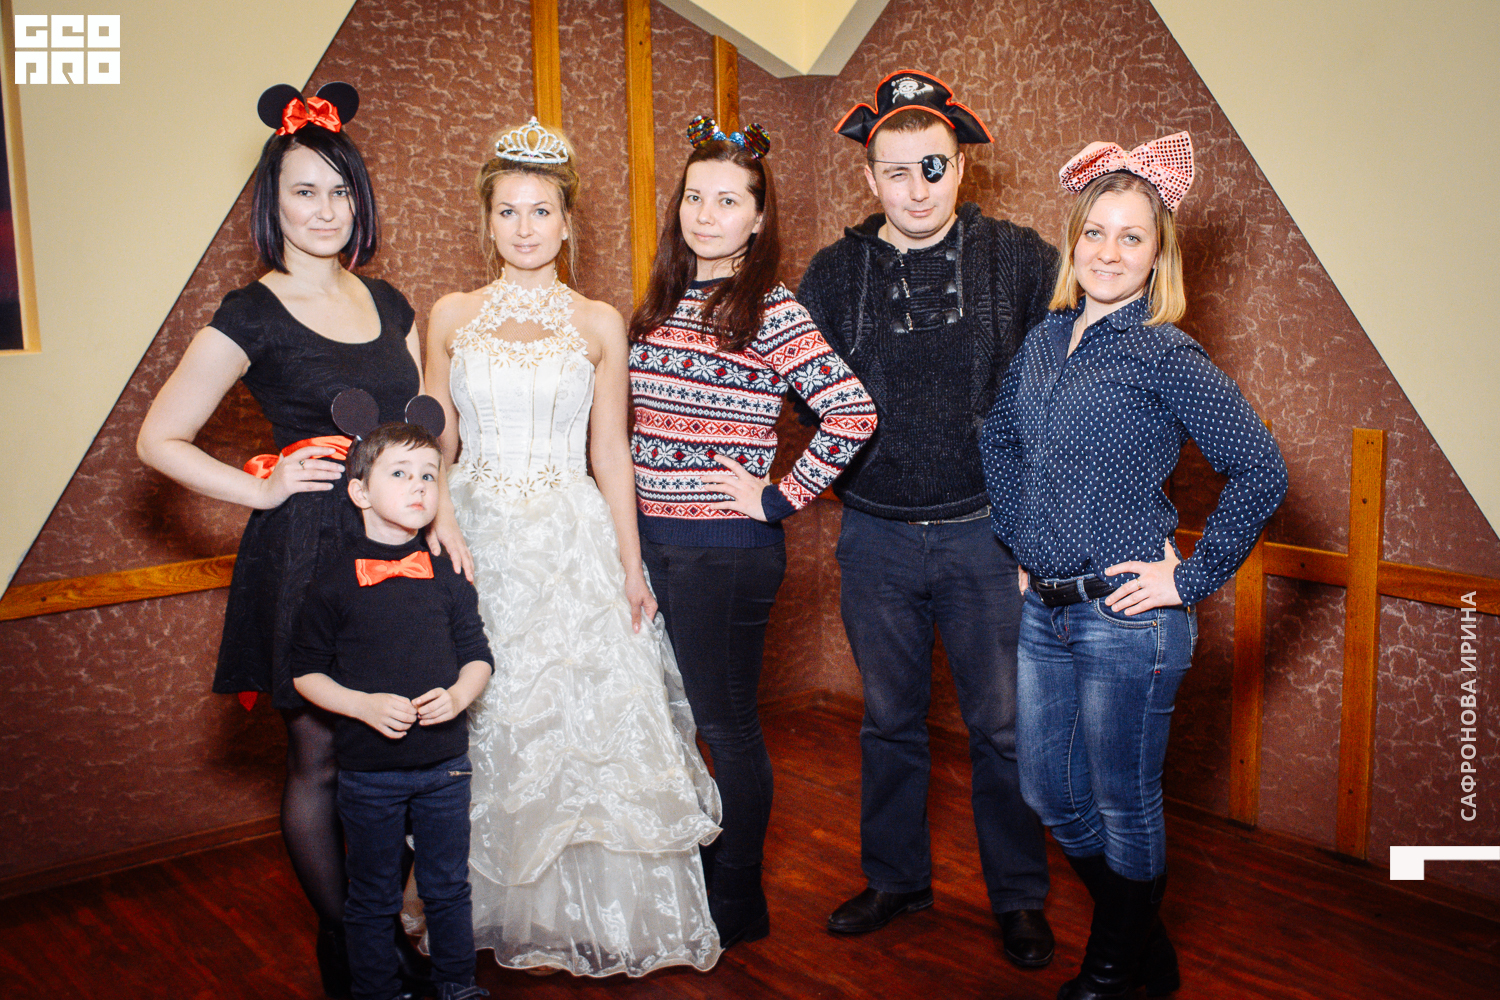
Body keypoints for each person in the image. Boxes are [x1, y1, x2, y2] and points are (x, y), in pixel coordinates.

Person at [136, 83, 459, 998]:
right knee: (318, 757)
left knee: (405, 748)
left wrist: (442, 513)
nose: (325, 210)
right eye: (303, 192)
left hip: (398, 550)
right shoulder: (250, 311)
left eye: (340, 190)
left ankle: (381, 932)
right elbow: (158, 439)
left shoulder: (391, 303)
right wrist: (262, 486)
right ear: (271, 206)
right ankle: (358, 945)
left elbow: (422, 438)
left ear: (362, 199)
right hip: (308, 554)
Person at [980, 133, 1287, 999]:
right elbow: (1000, 442)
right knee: (1050, 793)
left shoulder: (1164, 352)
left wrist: (1189, 579)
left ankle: (1114, 967)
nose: (1109, 252)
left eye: (1132, 237)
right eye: (1095, 232)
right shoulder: (1046, 340)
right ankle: (1144, 948)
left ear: (1159, 257)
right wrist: (1023, 541)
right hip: (1045, 611)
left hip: (1128, 621)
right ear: (1073, 240)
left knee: (1124, 802)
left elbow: (1261, 469)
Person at [423, 118, 723, 976]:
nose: (524, 228)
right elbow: (433, 440)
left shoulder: (597, 322)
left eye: (541, 211)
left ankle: (603, 917)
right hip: (474, 536)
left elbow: (610, 453)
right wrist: (439, 523)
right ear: (487, 221)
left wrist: (630, 566)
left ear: (566, 223)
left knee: (588, 729)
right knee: (491, 723)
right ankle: (482, 910)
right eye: (508, 211)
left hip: (572, 538)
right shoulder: (450, 315)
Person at [795, 70, 1056, 966]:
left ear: (961, 167)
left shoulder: (1021, 259)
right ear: (870, 177)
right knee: (889, 721)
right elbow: (803, 391)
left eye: (933, 168)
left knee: (1004, 729)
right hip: (875, 533)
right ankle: (897, 879)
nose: (916, 190)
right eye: (896, 172)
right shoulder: (832, 274)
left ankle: (1019, 897)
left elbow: (1062, 384)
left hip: (989, 533)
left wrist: (1037, 526)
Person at [628, 116, 877, 947]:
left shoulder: (770, 307)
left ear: (758, 218)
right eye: (695, 197)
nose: (707, 214)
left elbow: (852, 411)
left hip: (724, 554)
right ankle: (696, 872)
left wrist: (779, 498)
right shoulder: (659, 302)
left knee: (725, 725)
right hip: (652, 543)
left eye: (728, 200)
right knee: (671, 718)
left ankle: (738, 896)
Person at [290, 420, 493, 1000]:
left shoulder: (448, 572)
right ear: (359, 492)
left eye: (429, 475)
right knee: (373, 894)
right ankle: (377, 991)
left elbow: (478, 657)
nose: (419, 486)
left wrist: (459, 695)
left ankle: (457, 985)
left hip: (446, 768)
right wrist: (361, 705)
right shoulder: (332, 582)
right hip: (369, 774)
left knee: (447, 887)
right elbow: (305, 673)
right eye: (400, 473)